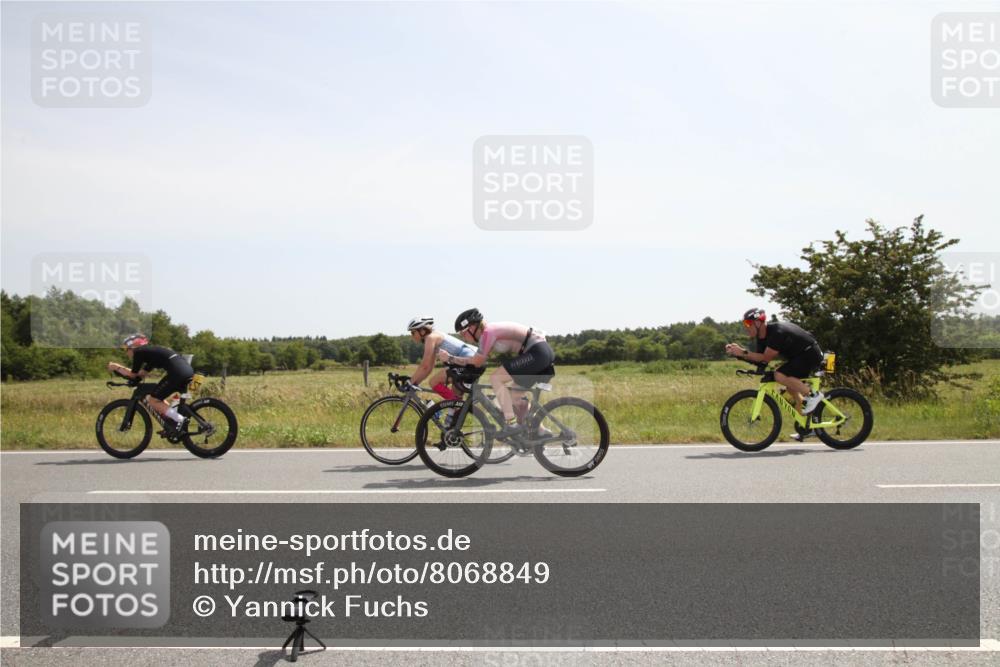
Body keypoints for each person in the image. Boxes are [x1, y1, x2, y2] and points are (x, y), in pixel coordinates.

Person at [440, 308, 555, 438]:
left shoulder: (488, 332)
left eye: (463, 332)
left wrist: (450, 358)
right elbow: (478, 361)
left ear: (472, 327)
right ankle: (541, 431)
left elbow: (477, 361)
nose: (462, 337)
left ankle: (511, 424)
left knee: (496, 378)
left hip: (537, 353)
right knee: (515, 396)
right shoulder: (488, 335)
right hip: (538, 353)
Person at [725, 308, 825, 420]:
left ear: (758, 323)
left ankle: (814, 395)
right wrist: (739, 355)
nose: (746, 327)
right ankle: (808, 426)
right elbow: (761, 361)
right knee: (791, 388)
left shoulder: (777, 333)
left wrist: (743, 352)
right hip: (799, 356)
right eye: (745, 323)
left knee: (779, 375)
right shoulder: (762, 338)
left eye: (748, 323)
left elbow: (765, 357)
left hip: (809, 353)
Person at [106, 333, 194, 434]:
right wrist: (134, 378)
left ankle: (180, 420)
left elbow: (133, 375)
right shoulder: (151, 354)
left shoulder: (139, 352)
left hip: (177, 373)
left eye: (126, 349)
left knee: (153, 400)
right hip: (186, 370)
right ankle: (173, 422)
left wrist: (115, 367)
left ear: (132, 347)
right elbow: (141, 374)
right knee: (157, 396)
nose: (126, 353)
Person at [403, 316, 478, 400]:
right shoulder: (433, 336)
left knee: (434, 382)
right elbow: (429, 368)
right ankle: (457, 409)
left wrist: (410, 382)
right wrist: (415, 383)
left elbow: (424, 365)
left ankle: (458, 405)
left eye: (413, 333)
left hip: (467, 358)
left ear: (422, 331)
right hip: (469, 357)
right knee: (455, 395)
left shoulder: (430, 338)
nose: (412, 336)